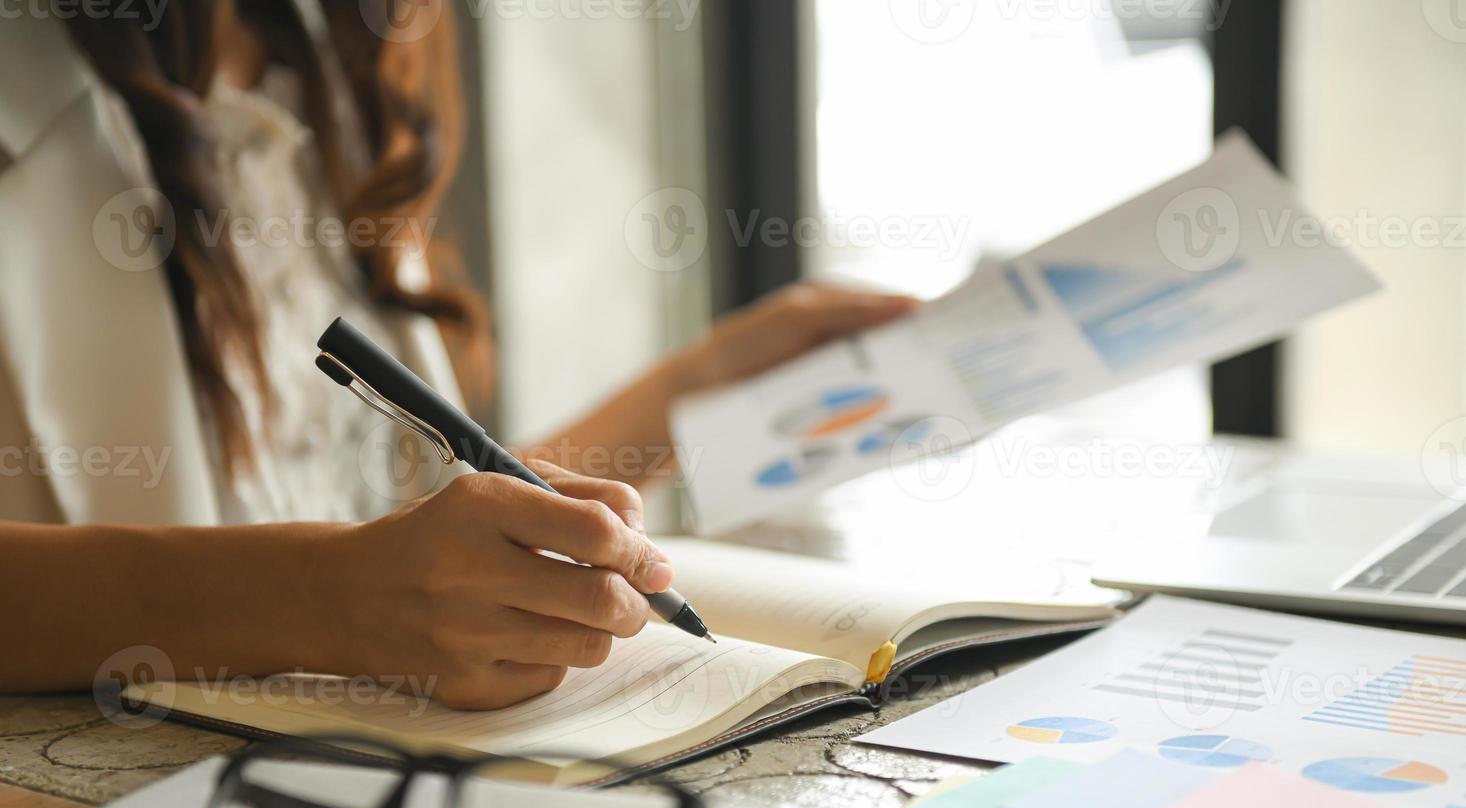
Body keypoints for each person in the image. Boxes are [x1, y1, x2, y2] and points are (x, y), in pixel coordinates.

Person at [0, 1, 917, 709]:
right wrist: (322, 602)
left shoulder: (326, 63)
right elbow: (345, 579)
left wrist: (699, 390)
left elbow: (402, 537)